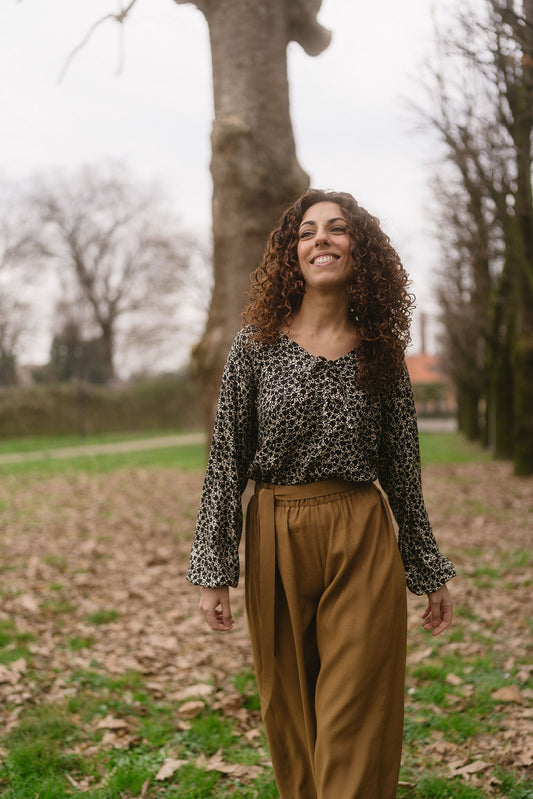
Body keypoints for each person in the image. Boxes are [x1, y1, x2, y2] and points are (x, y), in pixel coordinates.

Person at [186, 189, 455, 799]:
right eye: (307, 232)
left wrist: (427, 568)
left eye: (337, 229)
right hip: (275, 529)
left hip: (360, 532)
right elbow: (226, 458)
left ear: (361, 251)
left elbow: (403, 471)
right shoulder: (254, 345)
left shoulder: (382, 354)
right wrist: (213, 569)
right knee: (293, 712)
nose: (321, 240)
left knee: (354, 710)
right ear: (292, 253)